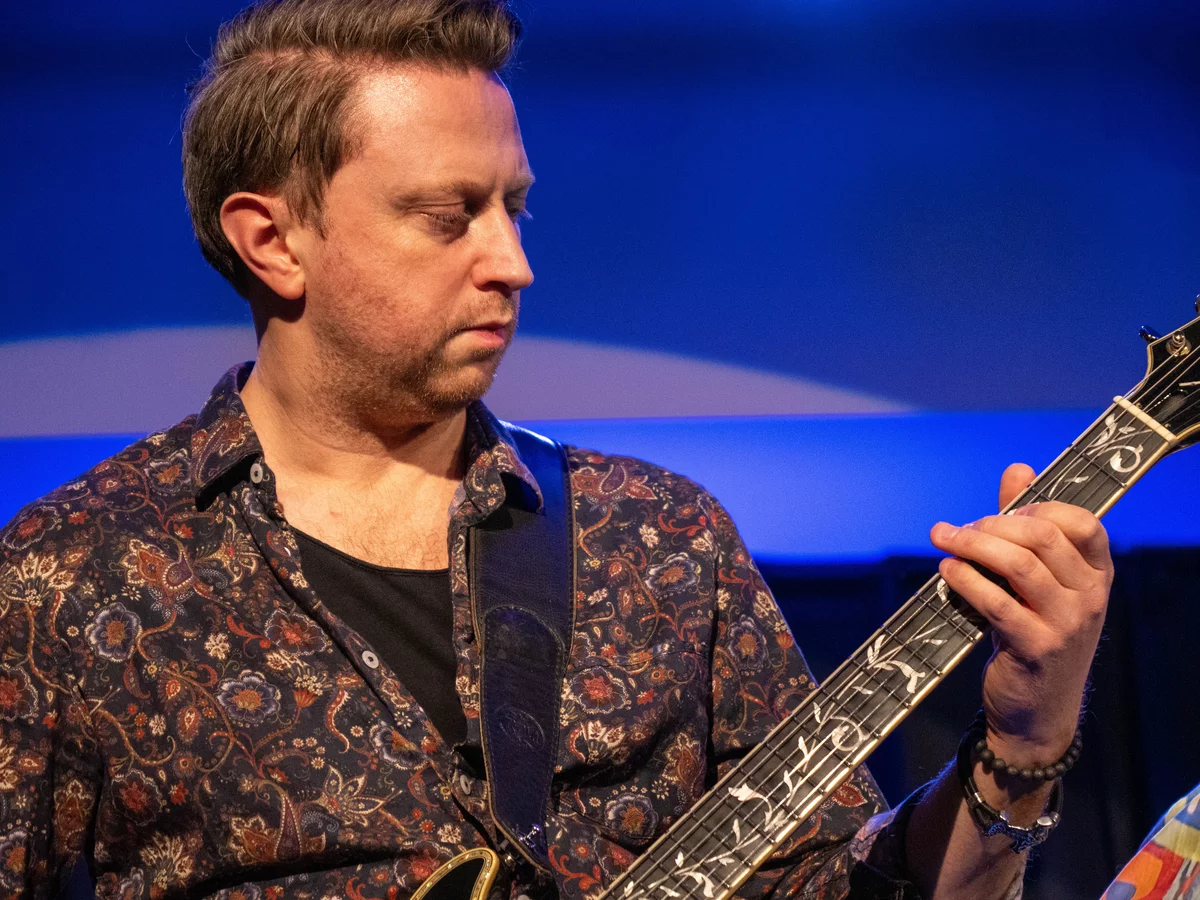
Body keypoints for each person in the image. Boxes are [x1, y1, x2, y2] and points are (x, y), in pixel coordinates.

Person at [0, 1, 1113, 898]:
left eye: (514, 208)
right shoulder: (77, 575)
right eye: (449, 216)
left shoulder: (663, 541)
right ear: (273, 241)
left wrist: (1025, 740)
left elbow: (846, 887)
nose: (512, 263)